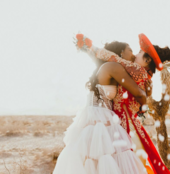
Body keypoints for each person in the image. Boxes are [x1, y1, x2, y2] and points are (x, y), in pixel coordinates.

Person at [77, 33, 170, 174]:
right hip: (125, 120)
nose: (135, 55)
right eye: (134, 51)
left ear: (146, 60)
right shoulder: (145, 77)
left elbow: (113, 57)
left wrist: (92, 48)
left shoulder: (136, 70)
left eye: (139, 52)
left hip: (124, 120)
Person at [53, 41, 147, 174]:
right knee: (107, 158)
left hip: (91, 118)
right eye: (130, 50)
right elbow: (138, 93)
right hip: (102, 119)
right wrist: (145, 102)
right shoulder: (114, 66)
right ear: (120, 52)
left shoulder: (104, 67)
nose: (132, 54)